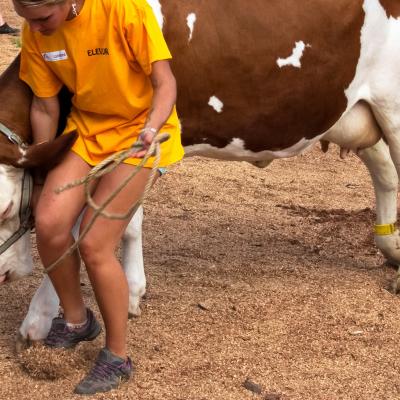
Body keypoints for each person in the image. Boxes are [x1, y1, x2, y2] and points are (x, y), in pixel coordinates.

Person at [12, 0, 184, 395]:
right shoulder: (35, 32)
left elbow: (165, 82)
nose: (35, 29)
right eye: (27, 20)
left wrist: (152, 127)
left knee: (94, 243)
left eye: (42, 18)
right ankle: (76, 321)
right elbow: (44, 103)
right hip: (87, 132)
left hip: (141, 134)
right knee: (50, 225)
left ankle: (117, 356)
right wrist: (41, 169)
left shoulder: (124, 9)